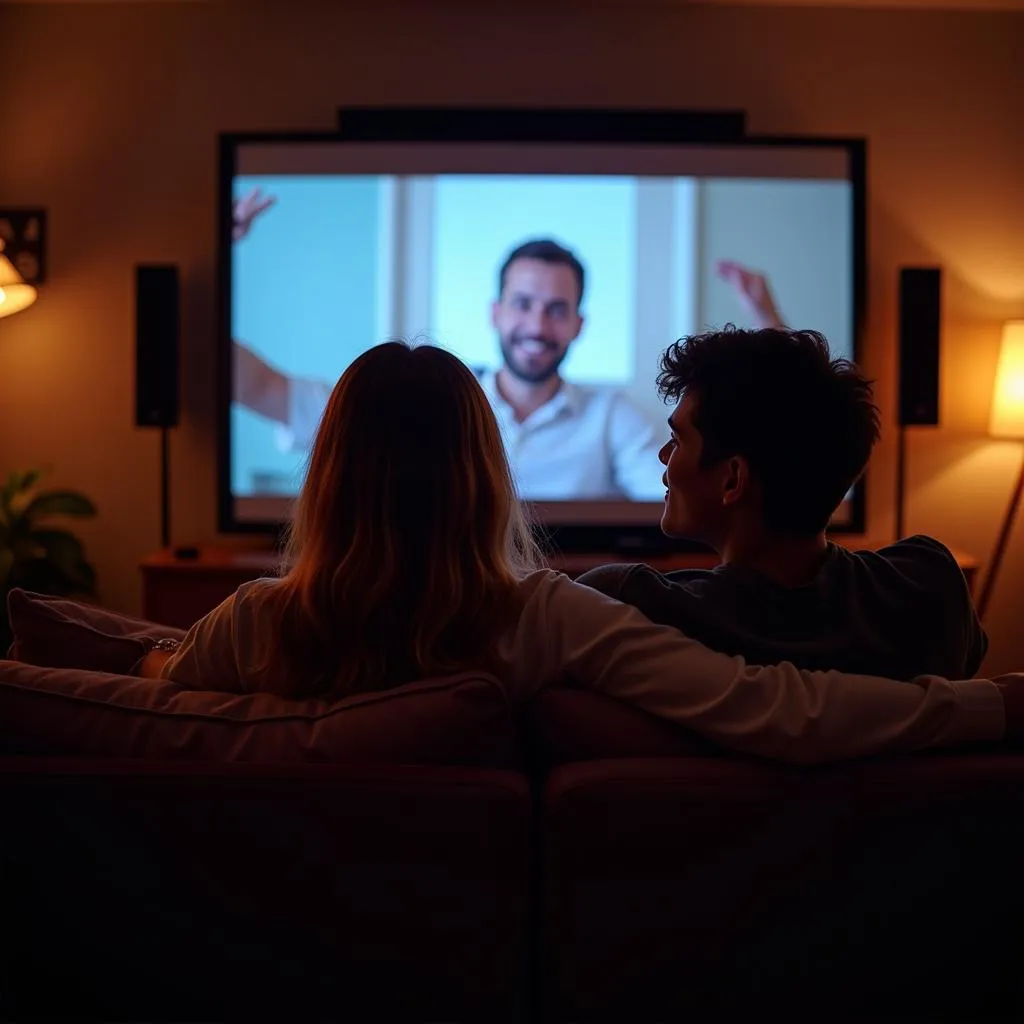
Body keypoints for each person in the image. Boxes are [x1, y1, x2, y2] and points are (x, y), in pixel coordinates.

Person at [141, 341, 1017, 766]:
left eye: (680, 440)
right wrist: (991, 710)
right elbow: (784, 709)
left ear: (325, 474)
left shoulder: (245, 628)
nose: (665, 458)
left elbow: (143, 696)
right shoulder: (550, 618)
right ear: (485, 473)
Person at [230, 188, 777, 500]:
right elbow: (258, 388)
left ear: (579, 324)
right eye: (523, 304)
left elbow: (687, 492)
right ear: (495, 313)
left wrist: (767, 328)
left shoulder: (611, 417)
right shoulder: (428, 399)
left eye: (556, 309)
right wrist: (218, 245)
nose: (537, 325)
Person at [577, 326, 986, 681]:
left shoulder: (624, 604)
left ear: (733, 479)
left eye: (679, 440)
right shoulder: (933, 587)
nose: (664, 456)